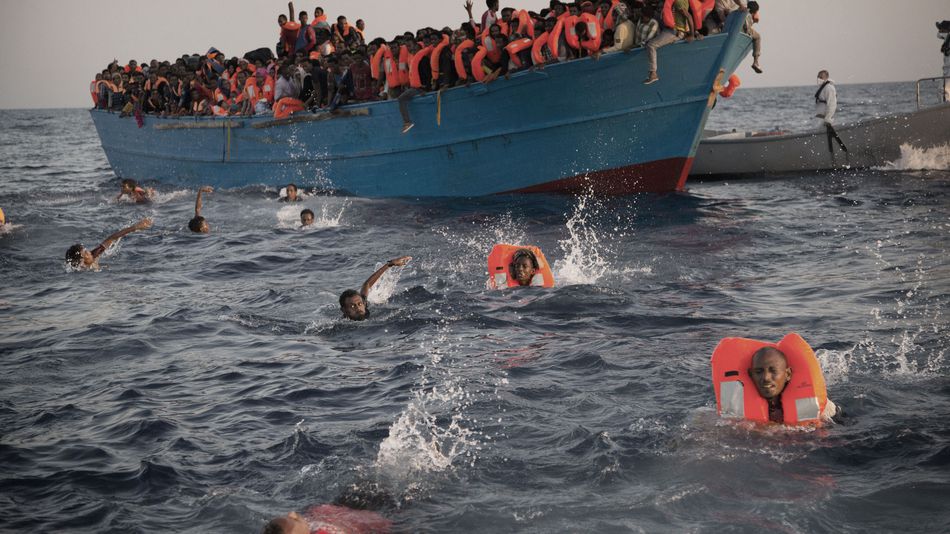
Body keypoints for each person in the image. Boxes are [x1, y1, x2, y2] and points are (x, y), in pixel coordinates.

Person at [748, 346, 838, 424]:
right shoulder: (736, 406)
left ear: (787, 374)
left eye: (773, 371)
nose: (766, 378)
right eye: (758, 372)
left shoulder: (820, 406)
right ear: (751, 375)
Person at [339, 256, 411, 321]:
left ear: (364, 303)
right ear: (344, 310)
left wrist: (390, 264)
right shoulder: (342, 322)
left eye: (360, 304)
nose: (358, 308)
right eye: (352, 306)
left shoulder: (364, 303)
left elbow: (367, 284)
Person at [643, 0, 697, 85]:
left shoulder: (679, 2)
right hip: (668, 29)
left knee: (651, 45)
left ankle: (653, 73)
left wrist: (692, 35)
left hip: (674, 32)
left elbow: (688, 16)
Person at [65, 218, 153, 270]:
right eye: (85, 252)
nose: (88, 252)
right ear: (81, 260)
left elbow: (113, 237)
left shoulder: (94, 255)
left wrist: (134, 227)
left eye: (85, 250)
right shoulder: (82, 270)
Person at [815, 70, 849, 157]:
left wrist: (828, 119)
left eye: (821, 77)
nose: (819, 79)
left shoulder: (829, 88)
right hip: (821, 119)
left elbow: (832, 104)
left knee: (830, 139)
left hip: (826, 120)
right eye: (818, 77)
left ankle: (834, 155)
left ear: (826, 77)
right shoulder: (823, 87)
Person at [745, 1, 762, 73]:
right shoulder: (748, 15)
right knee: (758, 37)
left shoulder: (742, 11)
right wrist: (754, 20)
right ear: (755, 12)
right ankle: (756, 62)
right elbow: (747, 28)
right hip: (744, 31)